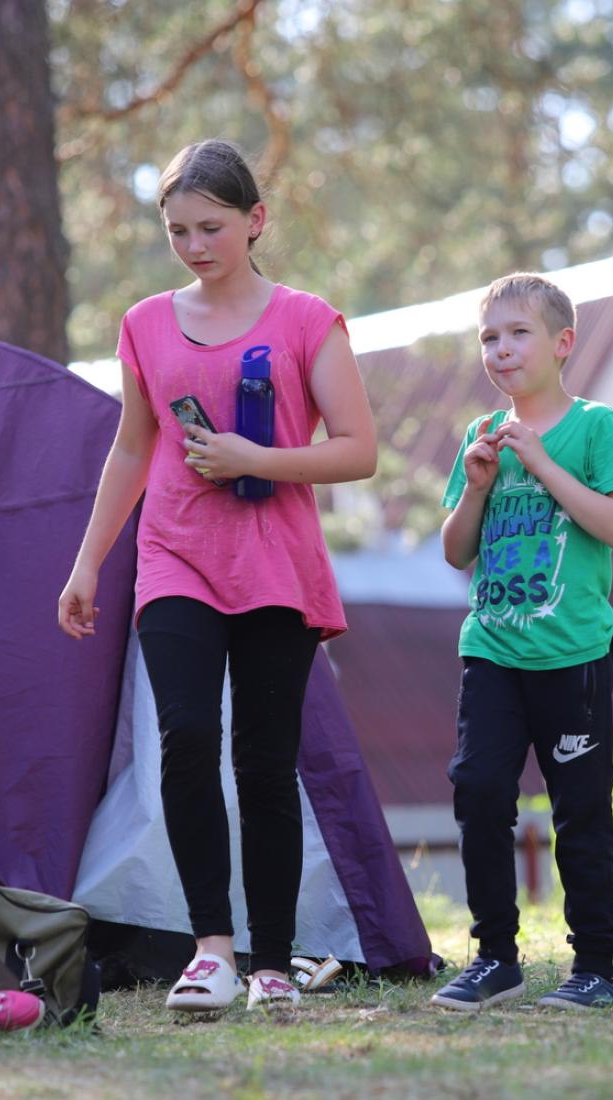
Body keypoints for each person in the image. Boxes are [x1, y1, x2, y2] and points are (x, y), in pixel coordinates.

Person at [57, 139, 376, 1013]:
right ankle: (211, 952)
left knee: (265, 764)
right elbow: (133, 445)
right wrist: (88, 562)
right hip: (174, 557)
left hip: (277, 565)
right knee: (187, 740)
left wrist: (256, 458)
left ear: (255, 220)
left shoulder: (309, 320)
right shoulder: (145, 324)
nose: (196, 245)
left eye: (212, 226)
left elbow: (359, 450)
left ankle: (272, 963)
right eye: (178, 231)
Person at [431, 273, 613, 1012]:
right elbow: (456, 551)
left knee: (580, 810)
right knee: (477, 788)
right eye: (490, 337)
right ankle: (496, 958)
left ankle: (594, 969)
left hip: (573, 656)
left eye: (518, 334)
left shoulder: (595, 427)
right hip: (491, 648)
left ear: (562, 344)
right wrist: (481, 484)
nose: (501, 349)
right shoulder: (478, 435)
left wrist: (544, 464)